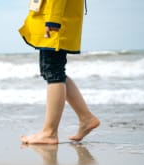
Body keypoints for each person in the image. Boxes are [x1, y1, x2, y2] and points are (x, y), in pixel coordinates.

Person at [19, 0, 100, 144]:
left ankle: (49, 132)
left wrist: (53, 20)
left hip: (54, 21)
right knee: (52, 71)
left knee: (53, 71)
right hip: (54, 18)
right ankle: (86, 118)